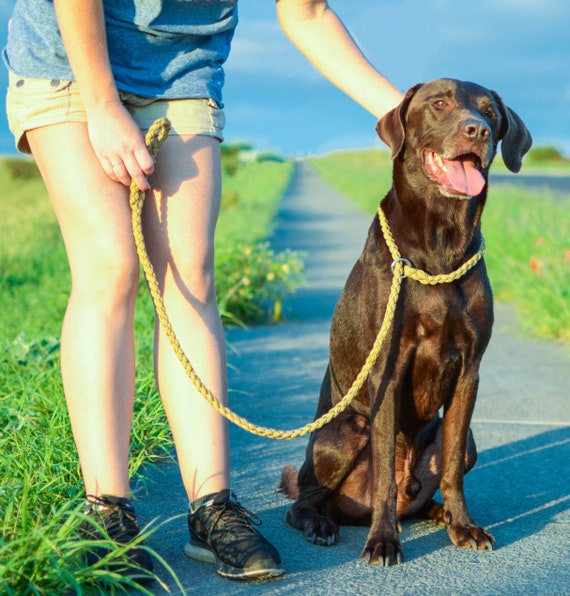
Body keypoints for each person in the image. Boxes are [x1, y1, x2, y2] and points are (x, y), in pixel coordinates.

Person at [3, 0, 404, 583]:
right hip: (70, 60)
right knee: (110, 265)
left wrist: (409, 121)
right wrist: (103, 104)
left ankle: (211, 508)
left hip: (182, 69)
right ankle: (105, 512)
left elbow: (308, 13)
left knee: (191, 274)